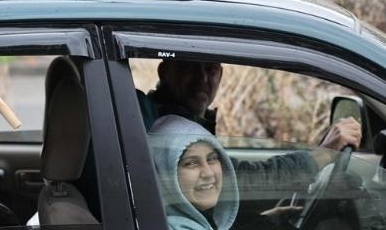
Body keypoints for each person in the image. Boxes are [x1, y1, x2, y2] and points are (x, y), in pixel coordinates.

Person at [141, 60, 362, 177]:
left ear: (221, 74)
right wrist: (321, 156)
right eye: (189, 67)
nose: (202, 78)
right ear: (164, 72)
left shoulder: (192, 123)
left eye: (210, 69)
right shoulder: (167, 126)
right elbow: (232, 182)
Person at [150, 114, 239, 230]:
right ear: (165, 175)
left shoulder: (205, 226)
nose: (208, 173)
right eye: (191, 163)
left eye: (212, 159)